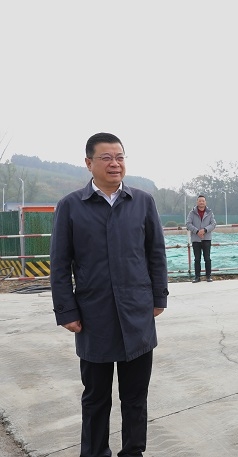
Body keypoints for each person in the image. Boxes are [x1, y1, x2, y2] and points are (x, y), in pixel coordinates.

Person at [50, 132, 169, 457]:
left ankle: (133, 452)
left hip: (137, 314)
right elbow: (59, 263)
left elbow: (155, 252)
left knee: (135, 397)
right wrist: (66, 311)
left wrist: (158, 297)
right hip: (94, 316)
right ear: (89, 163)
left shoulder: (142, 202)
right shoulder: (70, 206)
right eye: (106, 157)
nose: (115, 164)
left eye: (119, 157)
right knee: (95, 397)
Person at [186, 195, 217, 282]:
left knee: (207, 258)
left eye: (203, 201)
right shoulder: (192, 213)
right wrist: (197, 231)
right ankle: (197, 277)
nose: (201, 202)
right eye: (200, 201)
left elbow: (213, 224)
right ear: (197, 202)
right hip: (196, 239)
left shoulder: (209, 213)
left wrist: (205, 230)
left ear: (205, 202)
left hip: (207, 238)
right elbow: (188, 224)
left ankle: (208, 276)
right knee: (197, 259)